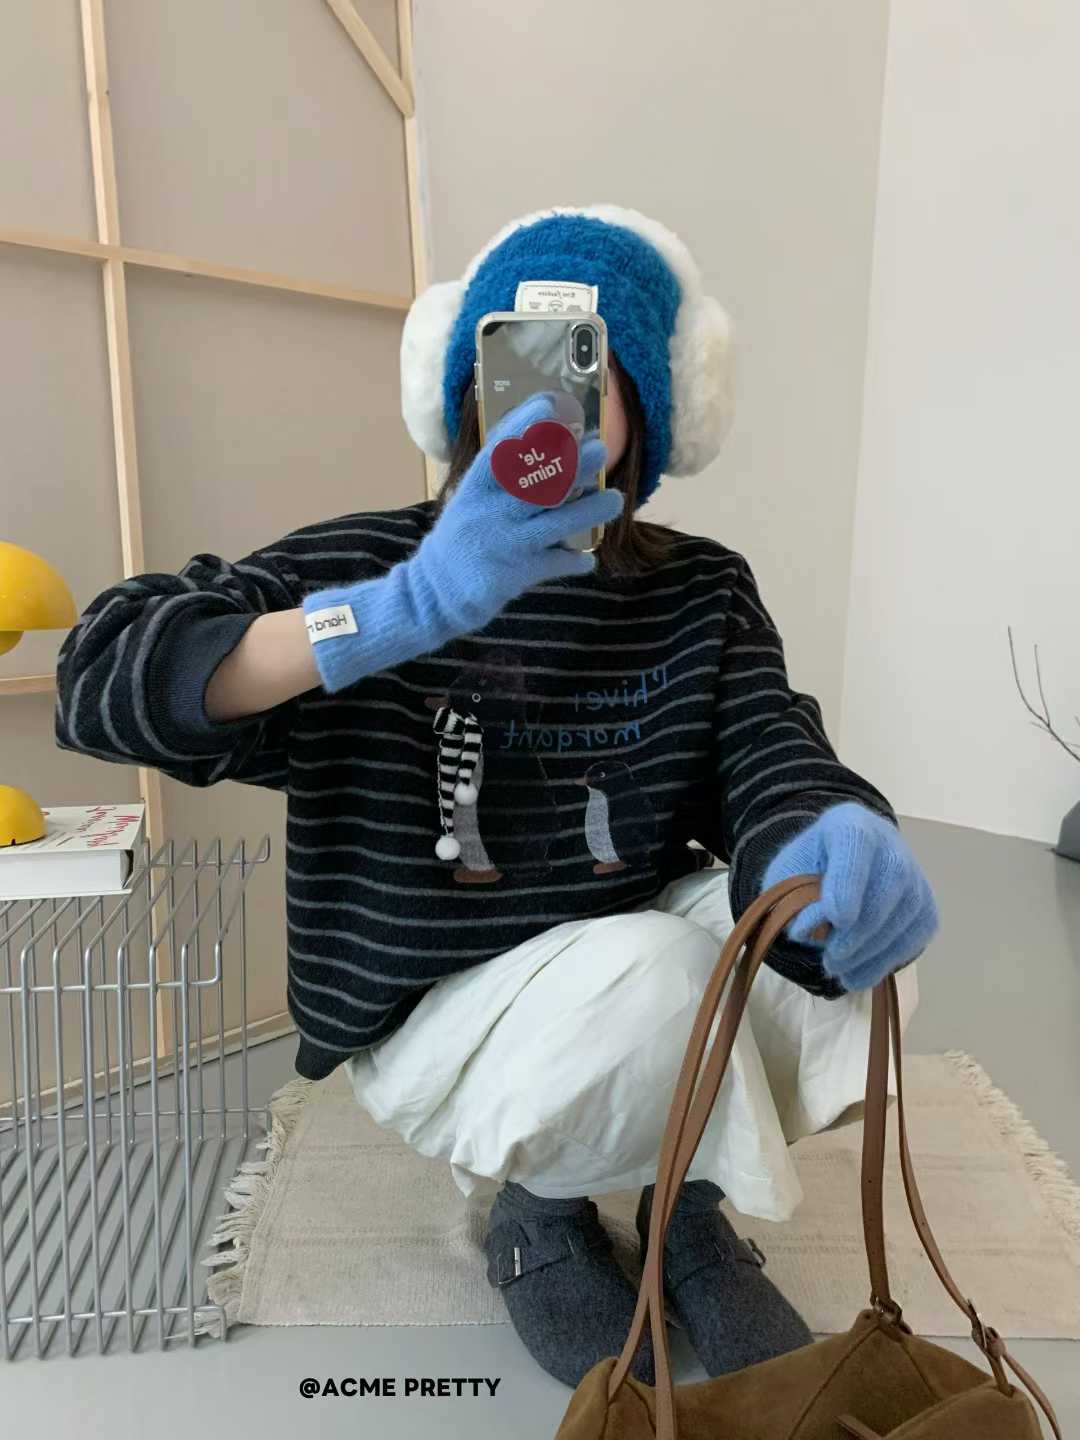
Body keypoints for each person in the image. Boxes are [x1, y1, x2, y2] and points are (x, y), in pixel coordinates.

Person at [55, 205, 937, 1390]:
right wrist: (398, 611)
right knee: (657, 978)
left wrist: (824, 840)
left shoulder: (701, 590)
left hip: (623, 963)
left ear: (649, 408)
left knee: (863, 942)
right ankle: (542, 1212)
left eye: (588, 368)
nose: (545, 406)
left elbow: (768, 750)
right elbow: (101, 677)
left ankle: (684, 1213)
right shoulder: (369, 566)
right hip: (444, 1008)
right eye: (513, 361)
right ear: (465, 389)